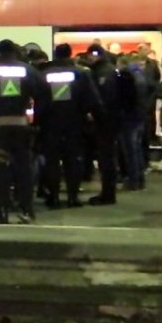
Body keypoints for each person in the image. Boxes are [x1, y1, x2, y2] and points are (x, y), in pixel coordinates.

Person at [0, 40, 49, 224]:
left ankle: (1, 210)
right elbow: (44, 96)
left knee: (0, 168)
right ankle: (26, 210)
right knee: (24, 168)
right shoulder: (28, 71)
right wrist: (37, 120)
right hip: (21, 126)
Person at [39, 44, 101, 209]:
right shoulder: (81, 73)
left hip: (50, 124)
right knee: (73, 161)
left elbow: (38, 101)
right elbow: (92, 100)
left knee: (52, 161)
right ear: (70, 55)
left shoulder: (44, 75)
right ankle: (73, 197)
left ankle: (53, 197)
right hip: (74, 124)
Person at [84, 44, 120, 206]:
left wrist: (96, 114)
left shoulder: (102, 72)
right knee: (107, 157)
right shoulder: (109, 70)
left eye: (91, 55)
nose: (89, 58)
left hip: (105, 121)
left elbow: (103, 99)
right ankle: (107, 192)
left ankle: (108, 194)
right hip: (110, 120)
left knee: (106, 158)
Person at [115, 54, 149, 191]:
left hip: (128, 118)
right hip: (139, 116)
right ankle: (140, 179)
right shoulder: (139, 75)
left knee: (130, 151)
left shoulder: (126, 76)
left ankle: (133, 180)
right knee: (137, 149)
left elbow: (123, 98)